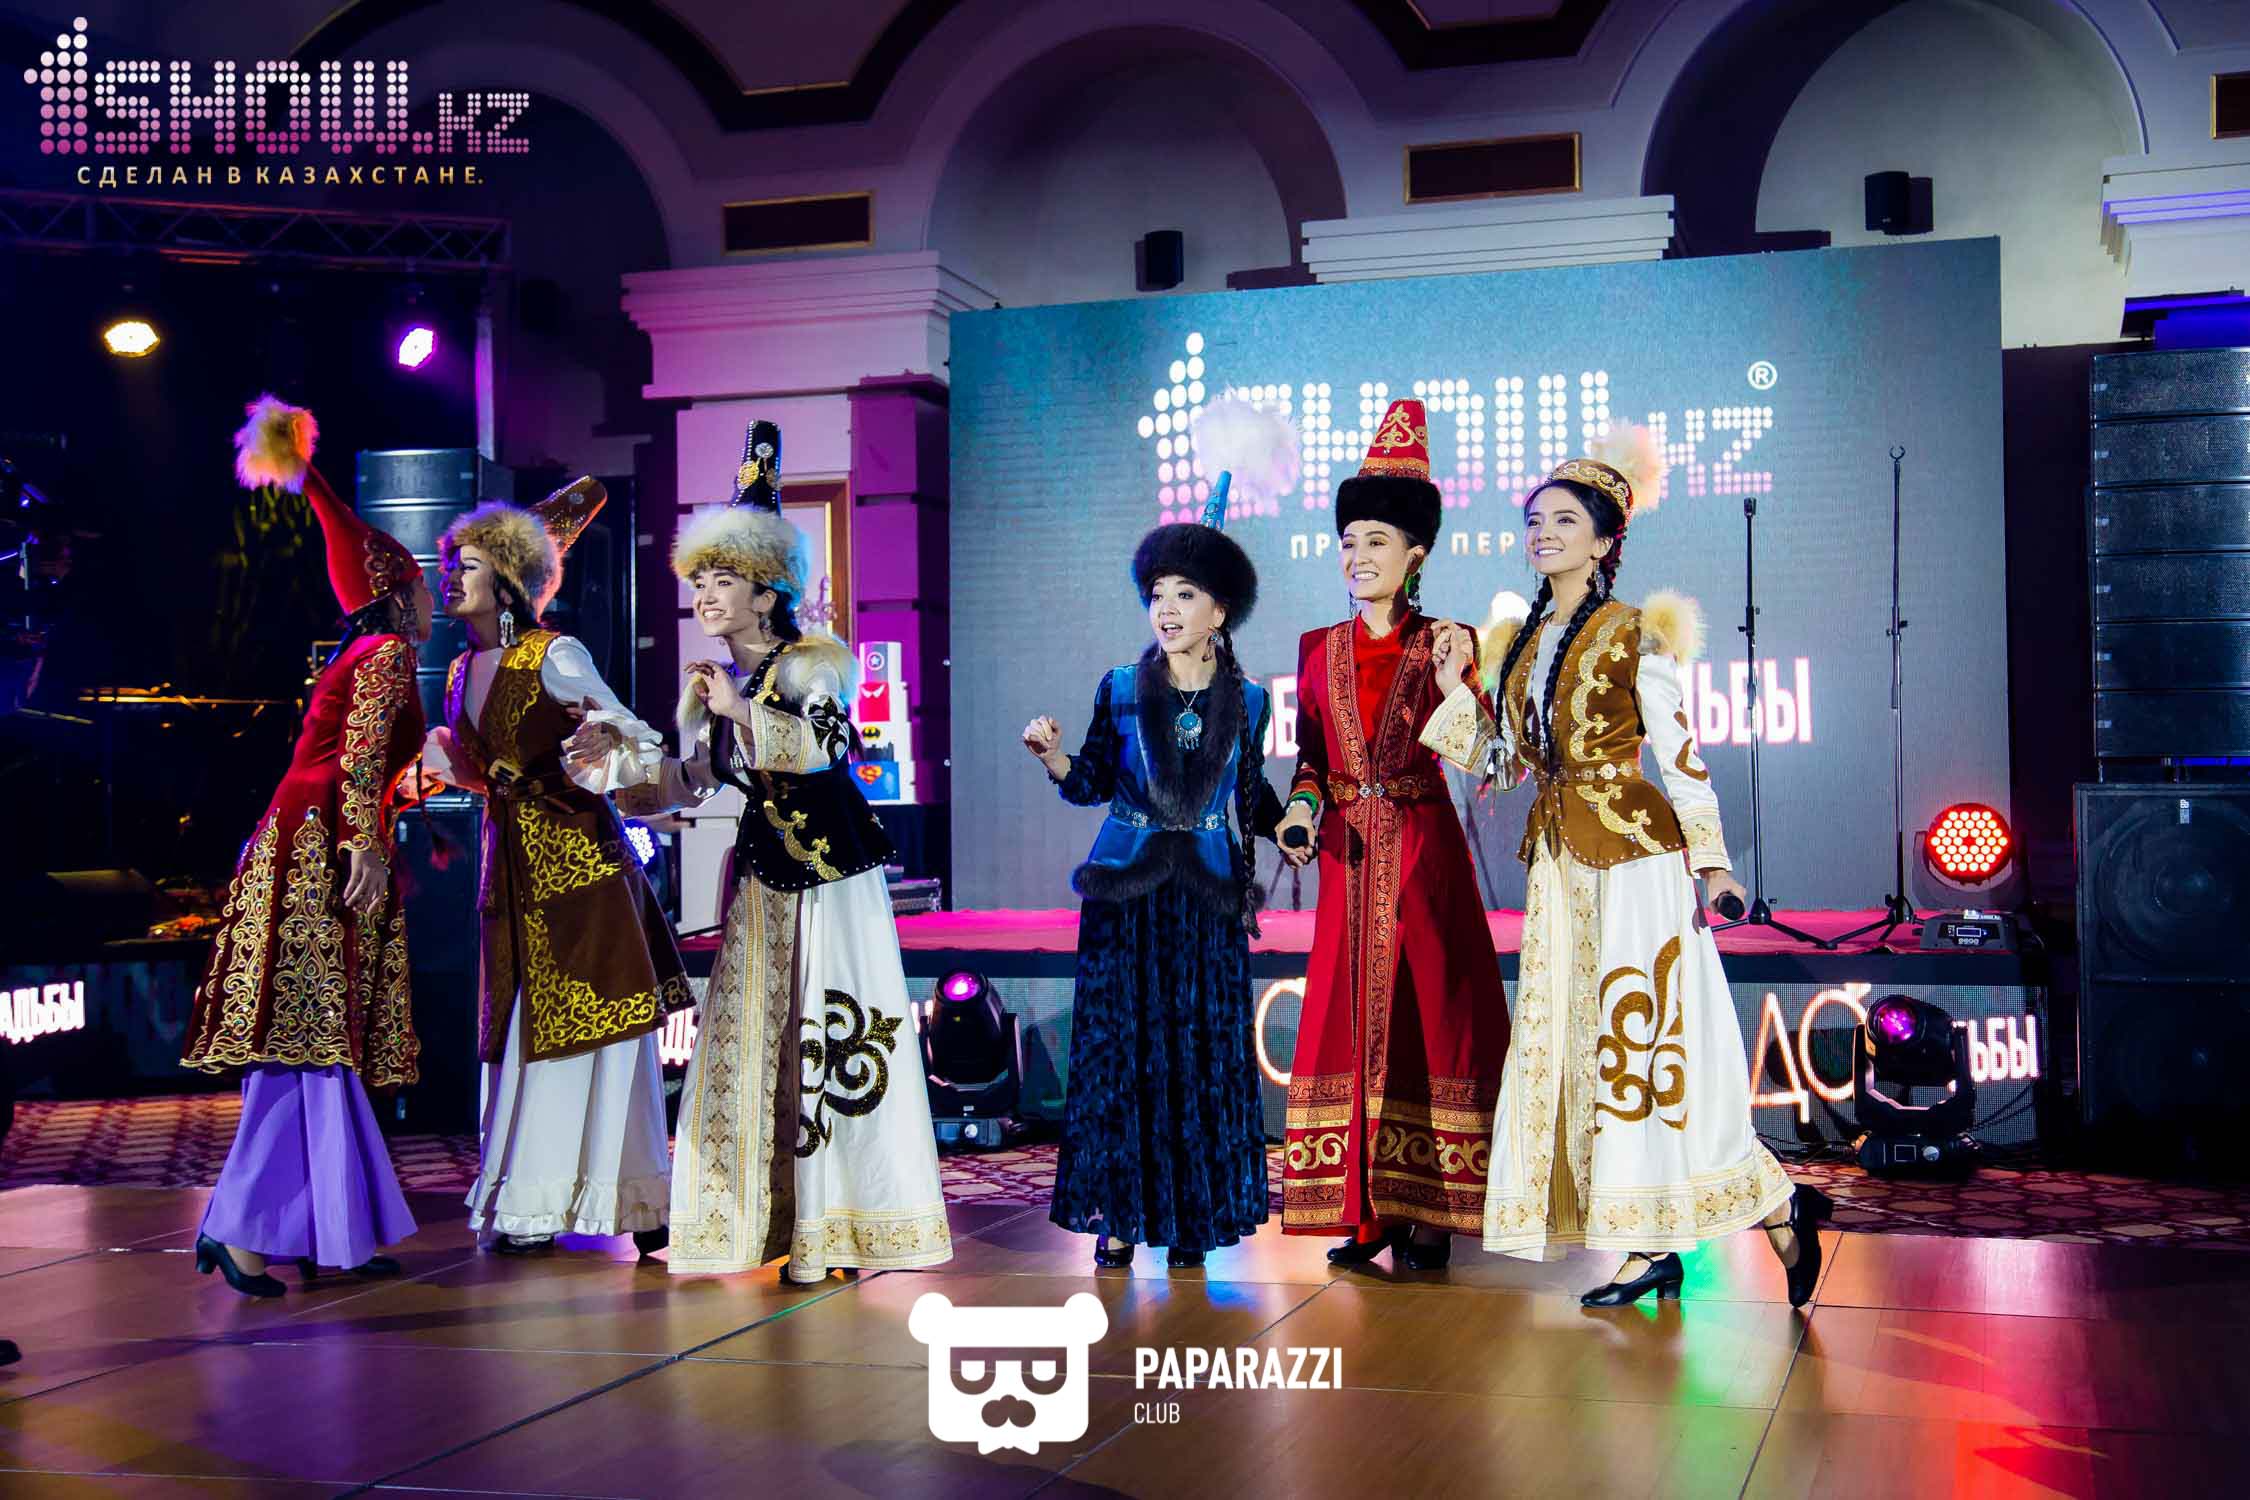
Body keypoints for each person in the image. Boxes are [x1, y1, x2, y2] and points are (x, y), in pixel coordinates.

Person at [1419, 426, 1832, 1307]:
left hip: (1634, 861)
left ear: (1605, 541)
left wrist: (1713, 865)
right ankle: (1652, 1243)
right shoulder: (1520, 642)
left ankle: (1771, 1206)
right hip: (1558, 866)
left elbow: (1679, 755)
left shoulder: (1633, 632)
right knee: (1579, 1053)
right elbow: (1506, 765)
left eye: (1564, 521)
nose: (1543, 534)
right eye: (1534, 521)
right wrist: (1459, 689)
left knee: (1644, 1047)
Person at [607, 421, 951, 1282]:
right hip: (763, 882)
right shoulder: (715, 687)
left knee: (825, 1043)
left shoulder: (808, 666)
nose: (706, 595)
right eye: (700, 581)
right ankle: (762, 1222)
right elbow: (693, 783)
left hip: (828, 881)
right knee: (760, 1044)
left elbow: (829, 749)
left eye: (724, 580)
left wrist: (740, 712)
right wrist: (615, 768)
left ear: (766, 595)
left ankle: (835, 1229)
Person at [181, 396, 428, 1298]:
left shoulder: (351, 655)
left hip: (299, 835)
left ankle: (326, 1229)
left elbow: (357, 759)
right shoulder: (388, 655)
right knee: (312, 1040)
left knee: (316, 1040)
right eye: (423, 584)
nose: (432, 597)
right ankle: (242, 1229)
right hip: (322, 843)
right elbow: (358, 760)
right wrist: (365, 844)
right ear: (396, 589)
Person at [1270, 399, 1510, 1272]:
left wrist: (1453, 687)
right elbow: (1310, 756)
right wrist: (1301, 812)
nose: (1357, 556)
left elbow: (1483, 756)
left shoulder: (1449, 641)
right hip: (1346, 855)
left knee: (1429, 1015)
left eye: (1376, 541)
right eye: (1348, 542)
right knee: (1349, 1018)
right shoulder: (1316, 647)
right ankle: (1365, 1214)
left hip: (1421, 850)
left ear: (1416, 555)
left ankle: (1432, 1213)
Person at [424, 479, 690, 1258]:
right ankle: (538, 1200)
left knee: (588, 1038)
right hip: (510, 877)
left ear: (509, 581)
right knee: (520, 1036)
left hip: (579, 874)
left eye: (469, 566)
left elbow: (628, 733)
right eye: (451, 564)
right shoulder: (457, 671)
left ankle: (631, 1200)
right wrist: (453, 771)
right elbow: (490, 771)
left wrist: (602, 743)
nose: (451, 578)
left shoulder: (554, 653)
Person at [1023, 476, 1281, 1270]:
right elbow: (1092, 782)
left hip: (1205, 896)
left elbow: (1253, 797)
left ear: (1220, 611)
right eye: (1157, 594)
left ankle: (1194, 1215)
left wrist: (1293, 828)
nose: (1166, 609)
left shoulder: (1252, 700)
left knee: (1201, 1053)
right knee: (1125, 1051)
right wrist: (1055, 757)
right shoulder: (1121, 687)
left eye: (1185, 594)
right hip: (1126, 892)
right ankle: (1123, 1213)